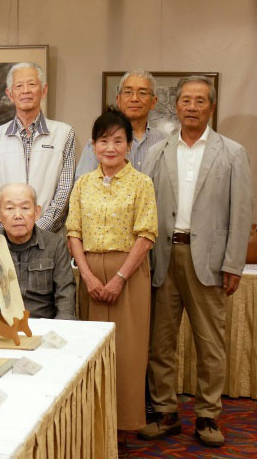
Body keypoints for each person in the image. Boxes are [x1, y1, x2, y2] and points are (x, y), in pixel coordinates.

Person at [139, 76, 253, 447]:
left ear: (211, 107)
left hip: (209, 260)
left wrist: (234, 263)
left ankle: (207, 416)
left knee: (210, 343)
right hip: (163, 256)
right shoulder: (158, 152)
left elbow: (241, 212)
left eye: (200, 101)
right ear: (176, 106)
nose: (192, 107)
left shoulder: (232, 153)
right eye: (186, 100)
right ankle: (166, 412)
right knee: (160, 342)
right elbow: (145, 207)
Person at [65, 108, 157, 451]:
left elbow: (146, 235)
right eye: (103, 141)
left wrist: (119, 278)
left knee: (127, 353)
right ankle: (93, 423)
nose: (110, 147)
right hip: (89, 272)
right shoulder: (83, 184)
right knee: (91, 353)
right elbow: (73, 232)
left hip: (128, 274)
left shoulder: (141, 183)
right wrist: (87, 276)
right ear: (93, 145)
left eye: (118, 140)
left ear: (129, 145)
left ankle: (122, 428)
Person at [0, 62, 76, 234]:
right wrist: (11, 227)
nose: (25, 91)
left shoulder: (64, 134)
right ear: (10, 94)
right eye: (19, 86)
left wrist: (38, 231)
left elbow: (65, 190)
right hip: (5, 237)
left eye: (31, 84)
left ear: (44, 90)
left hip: (49, 237)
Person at [0, 183, 75, 319]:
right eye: (10, 208)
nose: (18, 215)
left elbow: (66, 299)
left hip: (42, 326)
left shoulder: (55, 246)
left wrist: (58, 330)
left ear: (37, 212)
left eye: (25, 208)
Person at [75, 69, 166, 180]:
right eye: (128, 92)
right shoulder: (100, 142)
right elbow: (83, 183)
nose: (134, 99)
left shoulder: (165, 142)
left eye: (142, 93)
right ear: (118, 100)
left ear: (153, 102)